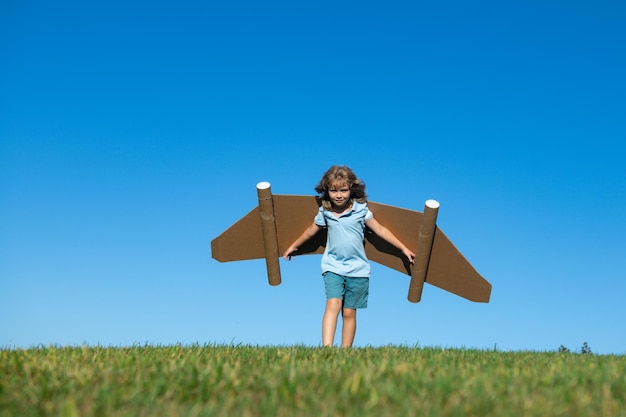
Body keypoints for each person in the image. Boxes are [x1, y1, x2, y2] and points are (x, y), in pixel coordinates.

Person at [282, 165, 415, 348]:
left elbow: (381, 231)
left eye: (343, 190)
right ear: (326, 191)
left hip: (358, 270)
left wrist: (403, 248)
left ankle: (345, 352)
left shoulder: (361, 210)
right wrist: (294, 246)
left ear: (351, 189)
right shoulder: (325, 212)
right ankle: (327, 349)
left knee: (349, 312)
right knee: (333, 304)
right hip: (333, 266)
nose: (339, 195)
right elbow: (310, 231)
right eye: (333, 190)